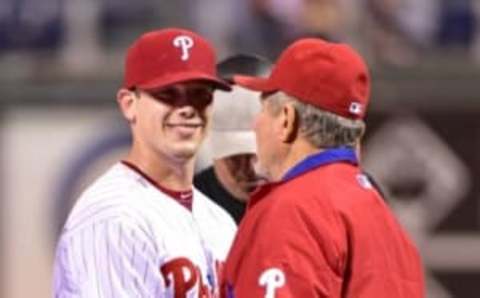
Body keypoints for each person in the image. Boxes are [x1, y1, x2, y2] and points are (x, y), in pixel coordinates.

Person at [222, 38, 424, 297]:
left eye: (263, 108)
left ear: (287, 120)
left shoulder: (293, 211)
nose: (255, 124)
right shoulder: (379, 212)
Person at [53, 28, 237, 297]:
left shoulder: (219, 221)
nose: (187, 108)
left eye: (200, 94)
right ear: (129, 104)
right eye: (168, 94)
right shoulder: (112, 218)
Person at [194, 54, 272, 223]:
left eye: (259, 152)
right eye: (236, 157)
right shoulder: (182, 214)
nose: (252, 168)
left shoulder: (313, 203)